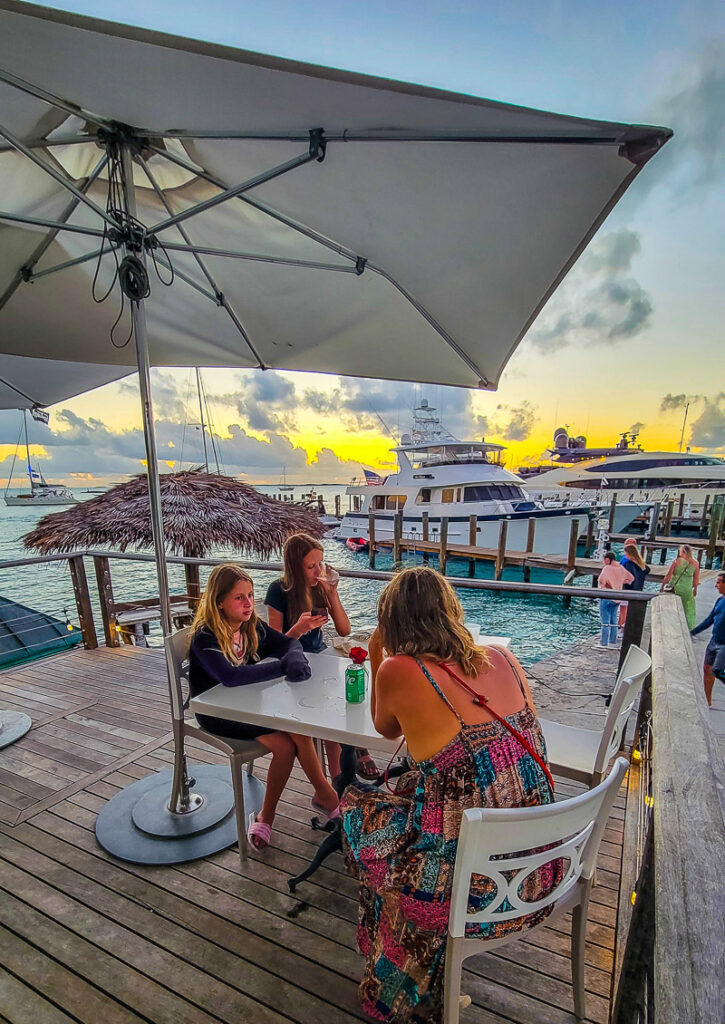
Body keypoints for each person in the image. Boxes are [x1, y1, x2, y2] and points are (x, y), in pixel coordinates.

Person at [341, 566, 561, 1023]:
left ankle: (407, 977)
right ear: (450, 610)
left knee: (354, 812)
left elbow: (384, 728)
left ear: (393, 621)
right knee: (406, 793)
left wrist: (382, 651)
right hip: (538, 861)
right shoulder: (502, 656)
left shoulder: (399, 669)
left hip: (473, 881)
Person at [189, 563, 339, 850]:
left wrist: (295, 658)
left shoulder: (250, 627)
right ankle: (326, 796)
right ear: (219, 602)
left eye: (250, 595)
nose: (248, 603)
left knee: (289, 739)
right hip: (217, 714)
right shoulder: (205, 637)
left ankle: (266, 816)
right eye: (239, 597)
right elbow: (231, 677)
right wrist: (282, 668)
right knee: (294, 728)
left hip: (248, 707)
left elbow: (286, 644)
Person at [265, 533, 380, 781]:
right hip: (293, 664)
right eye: (311, 566)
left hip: (320, 658)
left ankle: (344, 769)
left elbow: (344, 630)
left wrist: (333, 594)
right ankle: (341, 776)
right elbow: (273, 645)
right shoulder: (278, 590)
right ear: (295, 568)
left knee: (350, 694)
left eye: (321, 563)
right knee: (333, 709)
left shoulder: (319, 587)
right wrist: (298, 629)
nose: (318, 570)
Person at [690, 572, 725, 706]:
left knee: (717, 671)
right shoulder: (720, 600)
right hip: (714, 640)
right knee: (707, 669)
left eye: (719, 582)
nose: (716, 586)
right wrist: (693, 632)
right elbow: (710, 619)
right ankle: (707, 700)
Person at [597, 551, 633, 648]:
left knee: (605, 621)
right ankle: (612, 641)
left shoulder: (607, 568)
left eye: (604, 559)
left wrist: (605, 585)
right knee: (613, 619)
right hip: (617, 597)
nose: (604, 562)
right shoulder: (621, 568)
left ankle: (604, 642)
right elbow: (631, 579)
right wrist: (621, 581)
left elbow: (601, 580)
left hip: (607, 596)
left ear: (608, 559)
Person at [660, 543, 700, 629]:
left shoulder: (677, 561)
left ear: (683, 552)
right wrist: (695, 589)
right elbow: (696, 579)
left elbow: (668, 575)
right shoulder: (696, 563)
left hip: (675, 587)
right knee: (688, 607)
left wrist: (662, 586)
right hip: (687, 588)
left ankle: (672, 623)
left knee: (672, 606)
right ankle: (687, 626)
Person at [618, 538, 650, 636]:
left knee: (623, 609)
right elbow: (647, 570)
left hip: (628, 589)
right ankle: (623, 626)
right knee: (629, 609)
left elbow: (627, 576)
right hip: (638, 589)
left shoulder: (628, 563)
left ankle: (621, 627)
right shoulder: (640, 564)